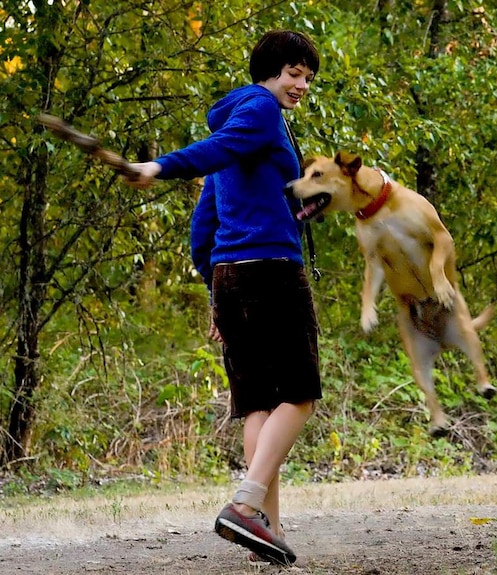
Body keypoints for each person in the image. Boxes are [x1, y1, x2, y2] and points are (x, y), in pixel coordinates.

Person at [123, 30, 321, 566]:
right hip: (271, 272)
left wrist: (217, 292)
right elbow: (213, 153)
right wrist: (161, 166)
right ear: (268, 72)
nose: (300, 84)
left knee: (259, 400)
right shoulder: (259, 111)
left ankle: (265, 530)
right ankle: (245, 503)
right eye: (293, 73)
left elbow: (203, 226)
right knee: (299, 394)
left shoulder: (243, 126)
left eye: (306, 76)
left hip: (233, 275)